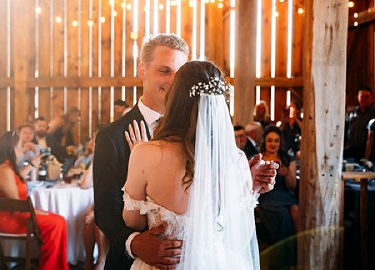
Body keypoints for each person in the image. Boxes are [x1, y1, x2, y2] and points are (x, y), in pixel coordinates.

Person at [94, 33, 278, 270]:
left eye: (179, 73)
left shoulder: (221, 150)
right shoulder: (112, 135)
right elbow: (104, 209)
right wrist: (135, 243)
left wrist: (245, 185)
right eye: (164, 71)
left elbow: (223, 219)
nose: (172, 81)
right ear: (142, 71)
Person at [123, 60, 262, 269]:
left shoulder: (144, 153)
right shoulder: (237, 161)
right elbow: (242, 235)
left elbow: (134, 222)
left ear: (175, 101)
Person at [0, 131, 68, 270]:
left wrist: (33, 163)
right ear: (11, 149)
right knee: (57, 223)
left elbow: (17, 179)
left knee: (59, 220)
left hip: (17, 214)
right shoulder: (4, 171)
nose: (22, 151)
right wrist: (37, 212)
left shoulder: (8, 168)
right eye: (20, 147)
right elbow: (17, 203)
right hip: (10, 219)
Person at [258, 125, 299, 244]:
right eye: (269, 140)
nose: (273, 144)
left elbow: (293, 186)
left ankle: (297, 249)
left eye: (276, 141)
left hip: (285, 196)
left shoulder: (287, 159)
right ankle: (282, 251)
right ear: (264, 142)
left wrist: (287, 174)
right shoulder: (258, 159)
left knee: (296, 212)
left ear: (280, 143)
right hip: (266, 196)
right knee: (283, 214)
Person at [344, 87, 375, 162]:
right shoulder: (352, 113)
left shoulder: (373, 113)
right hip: (353, 149)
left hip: (369, 151)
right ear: (357, 98)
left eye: (367, 96)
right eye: (362, 96)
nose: (364, 99)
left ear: (372, 98)